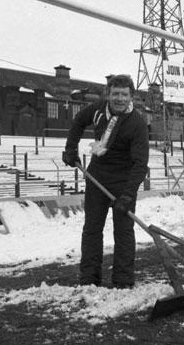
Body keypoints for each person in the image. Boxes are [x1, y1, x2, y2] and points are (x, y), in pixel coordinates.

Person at [62, 74, 149, 288]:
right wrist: (70, 148)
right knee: (92, 229)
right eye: (115, 94)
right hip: (97, 177)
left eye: (124, 95)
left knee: (124, 232)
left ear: (131, 97)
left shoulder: (137, 124)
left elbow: (140, 164)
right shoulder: (99, 109)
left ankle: (123, 281)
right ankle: (89, 279)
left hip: (123, 182)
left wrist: (128, 194)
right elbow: (78, 122)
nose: (119, 99)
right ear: (108, 94)